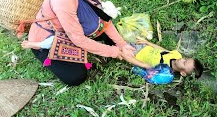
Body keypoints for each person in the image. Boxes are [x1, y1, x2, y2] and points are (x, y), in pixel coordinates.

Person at [25, 0, 150, 86]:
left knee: (111, 38)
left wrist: (122, 44)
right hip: (47, 40)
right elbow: (78, 39)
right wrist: (114, 52)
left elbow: (104, 20)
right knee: (76, 76)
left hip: (71, 31)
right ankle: (43, 54)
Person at [22, 37, 203, 79]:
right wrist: (146, 41)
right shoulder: (176, 54)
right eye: (187, 59)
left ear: (184, 73)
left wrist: (124, 55)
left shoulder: (164, 69)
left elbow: (142, 65)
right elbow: (162, 48)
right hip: (140, 46)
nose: (183, 60)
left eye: (186, 64)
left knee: (110, 48)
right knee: (114, 39)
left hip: (134, 54)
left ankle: (87, 48)